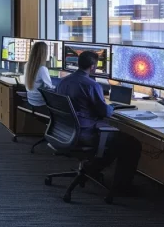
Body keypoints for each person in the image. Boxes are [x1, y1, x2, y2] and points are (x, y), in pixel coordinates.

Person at [54, 51, 142, 192]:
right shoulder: (92, 85)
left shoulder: (63, 82)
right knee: (131, 143)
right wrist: (112, 107)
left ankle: (92, 169)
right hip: (85, 133)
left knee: (113, 139)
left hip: (65, 131)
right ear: (93, 67)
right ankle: (122, 187)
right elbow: (105, 112)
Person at [24, 42, 54, 111]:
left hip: (31, 101)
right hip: (41, 103)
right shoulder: (42, 69)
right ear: (44, 54)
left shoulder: (27, 65)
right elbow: (50, 87)